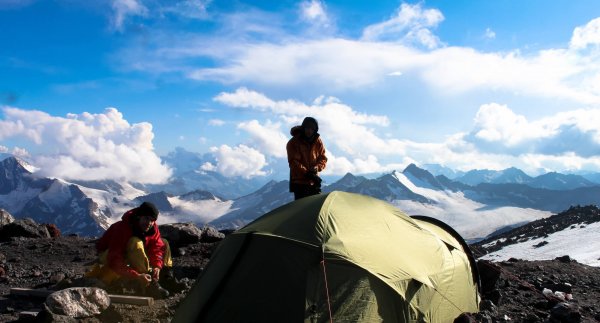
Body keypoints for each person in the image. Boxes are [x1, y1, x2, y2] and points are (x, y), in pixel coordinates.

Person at [86, 202, 182, 298]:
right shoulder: (122, 228)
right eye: (146, 218)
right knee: (135, 242)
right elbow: (114, 258)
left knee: (163, 242)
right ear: (139, 216)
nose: (149, 223)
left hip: (131, 253)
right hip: (109, 254)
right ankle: (149, 283)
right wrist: (136, 276)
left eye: (152, 220)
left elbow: (156, 247)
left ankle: (166, 277)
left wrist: (157, 266)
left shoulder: (153, 228)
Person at [286, 117, 328, 200]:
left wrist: (317, 168)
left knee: (315, 207)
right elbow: (294, 162)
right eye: (307, 128)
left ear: (315, 130)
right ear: (303, 128)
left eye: (312, 129)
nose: (309, 131)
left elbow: (322, 158)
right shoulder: (293, 142)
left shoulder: (317, 141)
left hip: (313, 181)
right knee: (301, 209)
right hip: (300, 183)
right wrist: (307, 173)